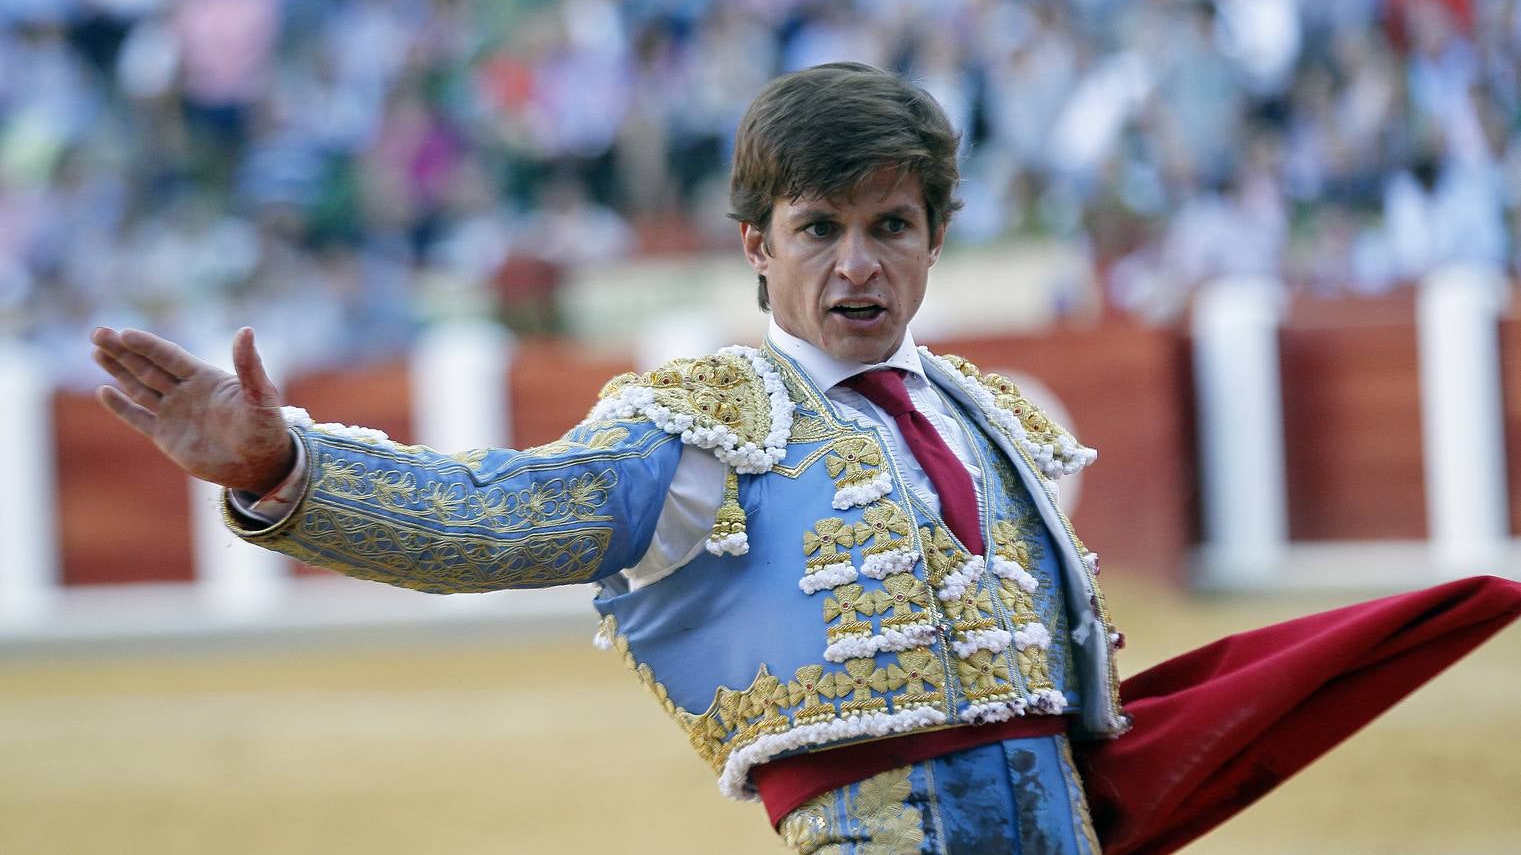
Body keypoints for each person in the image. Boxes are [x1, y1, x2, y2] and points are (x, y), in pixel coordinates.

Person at [90, 63, 1520, 854]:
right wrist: (288, 468)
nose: (856, 264)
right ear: (753, 248)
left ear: (931, 243)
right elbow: (498, 521)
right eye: (819, 228)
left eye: (889, 227)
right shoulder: (699, 421)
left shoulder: (989, 419)